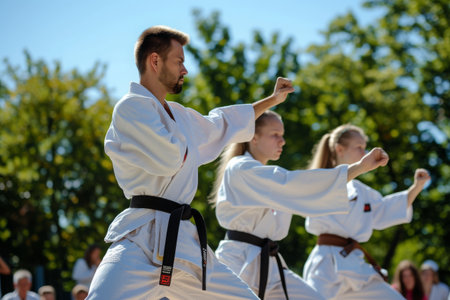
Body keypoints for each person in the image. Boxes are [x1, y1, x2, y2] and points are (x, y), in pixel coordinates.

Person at [87, 25, 295, 300]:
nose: (184, 70)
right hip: (141, 240)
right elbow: (170, 158)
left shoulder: (179, 116)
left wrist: (271, 101)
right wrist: (193, 138)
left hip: (185, 243)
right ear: (155, 60)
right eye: (179, 61)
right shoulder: (131, 107)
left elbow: (221, 125)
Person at [212, 111, 393, 300]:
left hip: (270, 265)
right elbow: (291, 185)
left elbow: (298, 192)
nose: (282, 141)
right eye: (275, 135)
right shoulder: (240, 168)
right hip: (239, 263)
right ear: (253, 137)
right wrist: (358, 168)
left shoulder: (265, 175)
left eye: (282, 135)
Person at [302, 124, 430, 300]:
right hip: (325, 266)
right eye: (359, 147)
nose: (364, 153)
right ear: (340, 149)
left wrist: (416, 187)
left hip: (355, 267)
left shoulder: (363, 192)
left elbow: (386, 210)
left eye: (365, 147)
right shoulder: (319, 181)